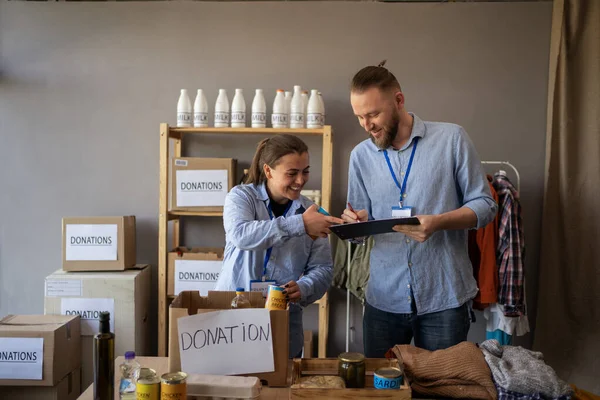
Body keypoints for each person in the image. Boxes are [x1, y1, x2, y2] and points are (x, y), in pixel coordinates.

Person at [341, 61, 498, 356]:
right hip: (383, 300)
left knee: (441, 389)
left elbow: (486, 206)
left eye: (373, 114)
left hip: (444, 297)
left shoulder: (452, 139)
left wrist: (438, 222)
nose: (367, 125)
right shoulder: (360, 156)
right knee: (382, 391)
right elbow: (359, 230)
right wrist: (354, 223)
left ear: (399, 101)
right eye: (359, 117)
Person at [215, 134, 344, 358]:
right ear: (268, 171)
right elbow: (240, 235)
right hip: (233, 315)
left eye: (305, 171)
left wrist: (304, 287)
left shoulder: (312, 212)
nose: (301, 180)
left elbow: (323, 269)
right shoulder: (241, 197)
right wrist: (300, 224)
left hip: (282, 322)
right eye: (292, 173)